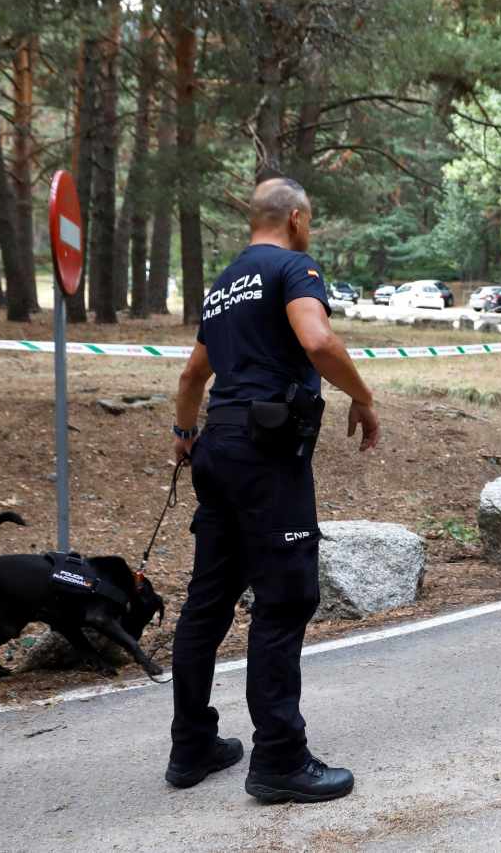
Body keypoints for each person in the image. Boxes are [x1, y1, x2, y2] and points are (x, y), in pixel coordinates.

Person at [166, 177, 381, 803]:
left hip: (217, 450)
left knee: (206, 603)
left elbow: (191, 375)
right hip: (267, 457)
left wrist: (184, 434)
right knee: (285, 599)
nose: (309, 229)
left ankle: (191, 746)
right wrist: (363, 398)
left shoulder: (224, 283)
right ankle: (280, 760)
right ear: (294, 218)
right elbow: (317, 341)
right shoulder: (294, 269)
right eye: (308, 220)